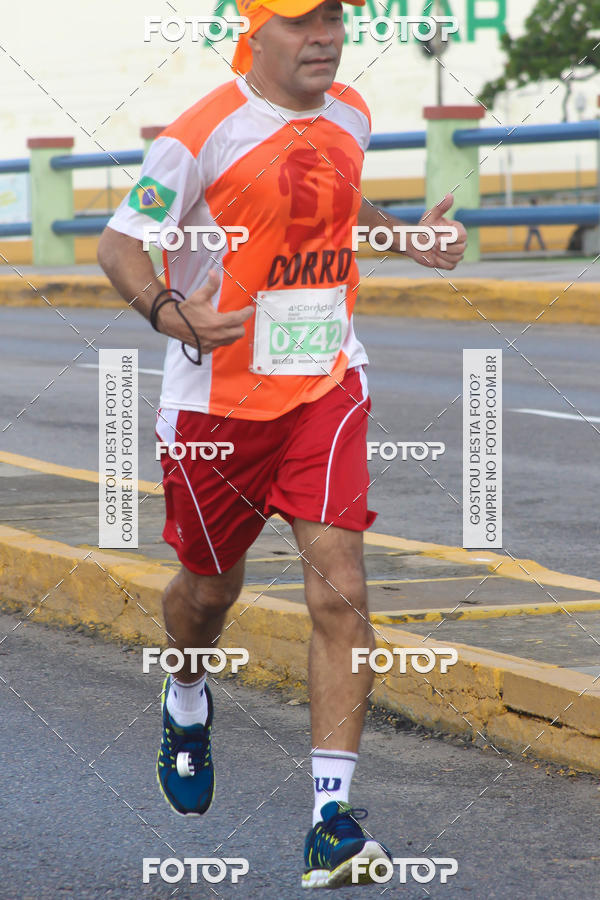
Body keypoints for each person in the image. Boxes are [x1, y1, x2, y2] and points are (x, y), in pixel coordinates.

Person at [97, 0, 466, 888]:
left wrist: (403, 235)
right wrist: (171, 311)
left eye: (335, 19)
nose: (326, 38)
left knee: (340, 586)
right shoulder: (199, 135)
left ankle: (329, 822)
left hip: (326, 385)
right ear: (254, 34)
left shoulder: (352, 113)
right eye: (303, 23)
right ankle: (186, 695)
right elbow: (120, 246)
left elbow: (337, 199)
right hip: (215, 407)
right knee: (208, 589)